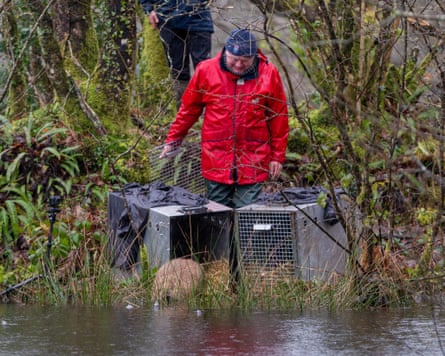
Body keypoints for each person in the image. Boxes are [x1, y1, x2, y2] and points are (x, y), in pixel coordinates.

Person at [160, 29, 289, 209]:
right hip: (216, 157)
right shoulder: (206, 70)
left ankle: (242, 238)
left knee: (247, 213)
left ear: (254, 57)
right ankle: (220, 238)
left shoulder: (268, 73)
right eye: (233, 59)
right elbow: (189, 109)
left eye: (244, 61)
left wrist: (277, 156)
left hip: (254, 157)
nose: (237, 65)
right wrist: (173, 139)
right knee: (217, 212)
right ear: (225, 52)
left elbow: (279, 117)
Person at [140, 0, 214, 107]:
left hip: (199, 16)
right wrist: (148, 9)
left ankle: (209, 112)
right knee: (177, 70)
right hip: (168, 18)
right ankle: (183, 111)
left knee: (204, 68)